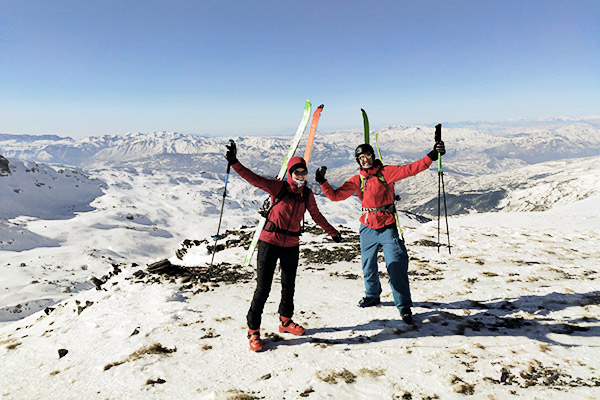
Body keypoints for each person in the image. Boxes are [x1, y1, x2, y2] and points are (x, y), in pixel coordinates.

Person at [225, 141, 341, 351]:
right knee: (263, 288)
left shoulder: (307, 195)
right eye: (296, 172)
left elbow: (317, 216)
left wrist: (332, 233)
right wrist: (234, 162)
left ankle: (285, 322)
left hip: (291, 244)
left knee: (289, 286)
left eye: (303, 173)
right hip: (269, 242)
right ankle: (253, 332)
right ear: (290, 173)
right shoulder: (278, 187)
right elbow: (255, 179)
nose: (300, 176)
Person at [315, 140, 445, 324]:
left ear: (373, 156)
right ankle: (372, 296)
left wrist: (432, 155)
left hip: (387, 226)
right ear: (358, 161)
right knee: (368, 266)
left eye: (367, 156)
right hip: (367, 227)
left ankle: (404, 306)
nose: (365, 160)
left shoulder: (386, 173)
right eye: (361, 158)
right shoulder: (357, 180)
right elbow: (336, 196)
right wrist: (323, 182)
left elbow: (411, 169)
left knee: (395, 266)